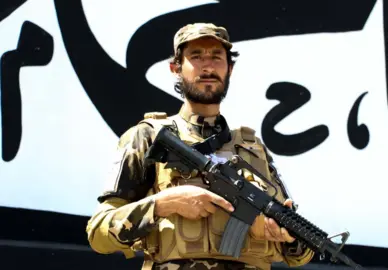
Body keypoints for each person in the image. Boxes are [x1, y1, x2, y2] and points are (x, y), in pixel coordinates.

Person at [86, 22, 315, 270]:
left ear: (230, 68)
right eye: (196, 56)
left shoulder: (253, 148)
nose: (207, 66)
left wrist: (283, 234)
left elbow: (300, 256)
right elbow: (99, 233)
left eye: (217, 57)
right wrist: (164, 203)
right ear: (175, 68)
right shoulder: (148, 137)